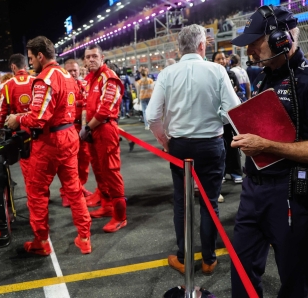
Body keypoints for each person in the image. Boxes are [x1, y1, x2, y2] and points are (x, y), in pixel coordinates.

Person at [230, 6, 308, 297]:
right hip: (253, 191)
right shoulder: (263, 76)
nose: (251, 51)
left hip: (291, 193)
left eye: (256, 42)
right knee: (241, 271)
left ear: (281, 39)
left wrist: (266, 146)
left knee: (292, 277)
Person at [146, 24, 241, 277]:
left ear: (179, 48)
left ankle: (183, 257)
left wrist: (165, 141)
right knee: (209, 202)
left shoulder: (167, 73)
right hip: (210, 143)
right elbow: (234, 110)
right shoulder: (217, 70)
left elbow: (152, 116)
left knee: (182, 202)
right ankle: (209, 259)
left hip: (179, 145)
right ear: (202, 45)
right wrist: (219, 117)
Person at [7, 36, 92, 255]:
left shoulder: (45, 78)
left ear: (40, 56)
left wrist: (18, 118)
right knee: (74, 189)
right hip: (68, 136)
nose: (31, 62)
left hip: (49, 142)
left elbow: (38, 118)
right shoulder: (66, 74)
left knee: (36, 193)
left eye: (31, 58)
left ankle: (41, 242)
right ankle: (84, 237)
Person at [81, 44, 127, 233]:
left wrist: (86, 127)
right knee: (99, 170)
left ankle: (120, 216)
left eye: (94, 56)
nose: (90, 59)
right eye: (87, 57)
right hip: (93, 130)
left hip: (105, 129)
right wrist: (87, 127)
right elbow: (86, 105)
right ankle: (107, 206)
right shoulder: (91, 79)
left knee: (111, 172)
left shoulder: (109, 77)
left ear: (102, 58)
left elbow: (105, 109)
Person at [0, 54, 34, 194]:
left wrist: (1, 127)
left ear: (13, 66)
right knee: (40, 165)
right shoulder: (36, 80)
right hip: (38, 128)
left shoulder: (7, 85)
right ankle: (43, 194)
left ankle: (34, 197)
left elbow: (2, 112)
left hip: (20, 131)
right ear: (26, 65)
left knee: (26, 164)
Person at [61, 58, 93, 206]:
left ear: (79, 70)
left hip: (84, 127)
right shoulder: (62, 86)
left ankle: (80, 187)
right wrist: (81, 102)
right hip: (69, 128)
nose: (73, 73)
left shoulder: (84, 84)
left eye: (75, 70)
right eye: (70, 71)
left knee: (84, 160)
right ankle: (66, 193)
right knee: (69, 164)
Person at [211, 52, 243, 187]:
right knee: (220, 145)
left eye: (223, 58)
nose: (222, 61)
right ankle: (222, 172)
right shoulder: (211, 75)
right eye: (218, 59)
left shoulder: (231, 74)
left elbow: (239, 90)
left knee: (233, 143)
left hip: (231, 115)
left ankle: (236, 171)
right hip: (217, 116)